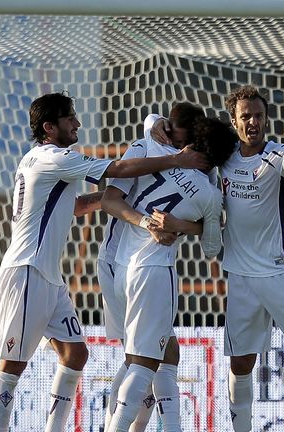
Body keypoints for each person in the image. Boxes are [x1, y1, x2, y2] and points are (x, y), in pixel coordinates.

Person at [0, 91, 207, 432]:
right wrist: (175, 161)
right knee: (12, 364)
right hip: (27, 271)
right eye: (70, 118)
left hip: (49, 276)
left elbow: (75, 206)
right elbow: (116, 168)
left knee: (76, 355)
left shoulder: (48, 159)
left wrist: (122, 199)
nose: (78, 123)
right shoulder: (52, 158)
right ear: (49, 126)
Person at [150, 85, 284, 431]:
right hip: (240, 276)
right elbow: (168, 130)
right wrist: (156, 123)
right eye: (245, 116)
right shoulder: (222, 158)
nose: (253, 122)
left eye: (258, 115)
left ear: (266, 119)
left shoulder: (279, 154)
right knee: (240, 364)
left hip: (283, 274)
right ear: (234, 120)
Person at [101, 115, 237, 432]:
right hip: (154, 272)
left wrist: (156, 123)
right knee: (143, 365)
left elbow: (151, 124)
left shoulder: (152, 151)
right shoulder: (210, 195)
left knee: (164, 353)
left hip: (120, 264)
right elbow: (212, 246)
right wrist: (190, 225)